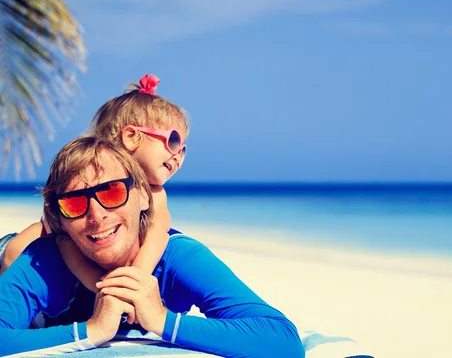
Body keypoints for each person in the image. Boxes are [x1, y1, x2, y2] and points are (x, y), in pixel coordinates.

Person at [0, 135, 304, 357]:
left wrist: (162, 319)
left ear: (144, 197)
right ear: (61, 221)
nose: (96, 216)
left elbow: (282, 340)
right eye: (75, 202)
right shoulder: (45, 260)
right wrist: (93, 330)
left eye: (111, 192)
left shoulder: (177, 257)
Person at [0, 74, 185, 295]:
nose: (178, 156)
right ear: (132, 137)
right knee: (14, 252)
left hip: (74, 246)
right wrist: (105, 288)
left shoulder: (154, 194)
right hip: (52, 235)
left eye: (183, 148)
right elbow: (65, 243)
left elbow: (158, 235)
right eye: (173, 141)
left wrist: (135, 279)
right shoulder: (86, 172)